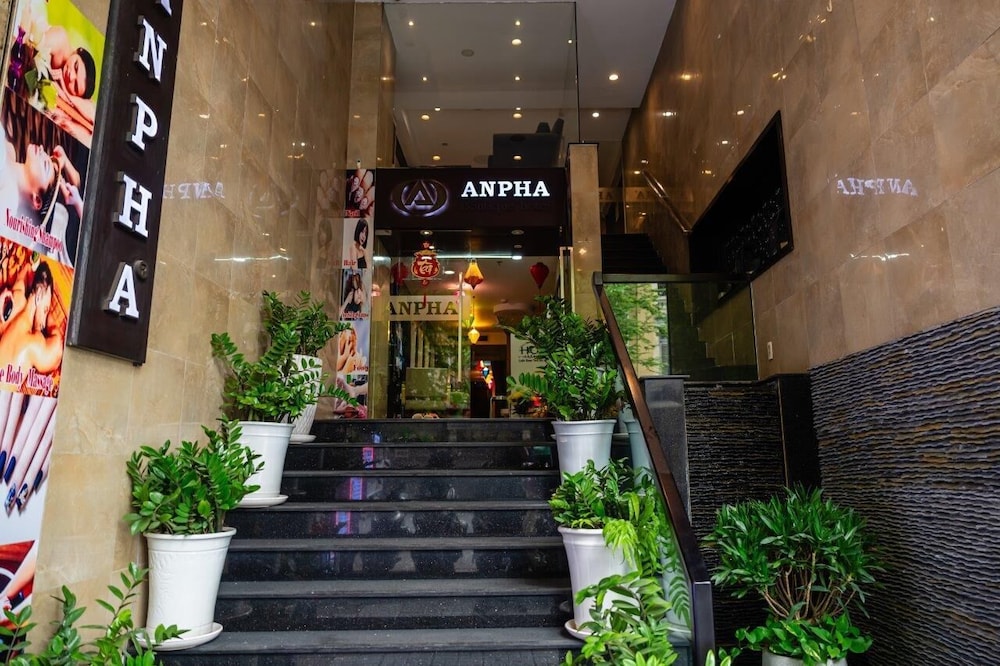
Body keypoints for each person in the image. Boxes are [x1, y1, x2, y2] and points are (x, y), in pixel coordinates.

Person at [0, 135, 80, 266]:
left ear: (37, 200)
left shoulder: (8, 202)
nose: (42, 148)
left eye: (45, 165)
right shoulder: (10, 151)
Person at [0, 261, 64, 387]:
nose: (46, 313)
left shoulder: (15, 298)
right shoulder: (35, 345)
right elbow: (57, 349)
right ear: (38, 297)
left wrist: (32, 267)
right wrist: (40, 323)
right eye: (46, 309)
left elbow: (25, 270)